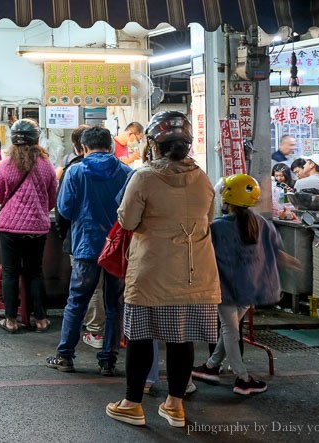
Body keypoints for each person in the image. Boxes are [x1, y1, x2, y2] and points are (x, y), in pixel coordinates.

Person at [105, 110, 220, 429]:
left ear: (154, 144)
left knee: (141, 339)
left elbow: (127, 221)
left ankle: (131, 404)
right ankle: (175, 406)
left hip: (152, 273)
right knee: (181, 341)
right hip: (195, 275)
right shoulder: (202, 177)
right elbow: (209, 218)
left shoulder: (143, 177)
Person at [192, 174, 289, 396]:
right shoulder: (263, 223)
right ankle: (211, 366)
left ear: (225, 199)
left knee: (229, 330)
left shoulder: (216, 227)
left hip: (224, 288)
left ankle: (242, 377)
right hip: (252, 289)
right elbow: (276, 251)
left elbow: (204, 256)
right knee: (231, 330)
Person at [46, 126, 132, 376]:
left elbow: (64, 208)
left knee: (77, 302)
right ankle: (108, 359)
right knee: (115, 303)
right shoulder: (127, 172)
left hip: (86, 247)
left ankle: (65, 356)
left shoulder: (76, 171)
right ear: (111, 146)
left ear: (83, 148)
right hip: (116, 248)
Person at [0, 118, 58, 334]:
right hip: (37, 228)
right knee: (35, 272)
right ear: (37, 139)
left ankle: (10, 320)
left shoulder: (6, 163)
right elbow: (52, 199)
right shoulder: (47, 165)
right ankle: (41, 319)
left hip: (9, 228)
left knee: (10, 272)